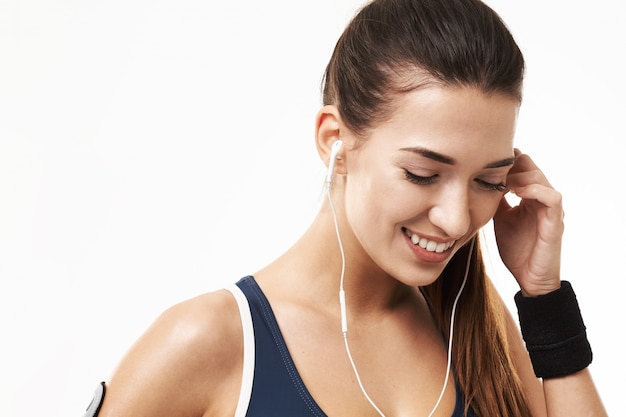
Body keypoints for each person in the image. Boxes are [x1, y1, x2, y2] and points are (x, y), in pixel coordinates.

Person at [84, 0, 608, 415]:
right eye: (423, 174)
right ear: (335, 140)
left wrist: (544, 300)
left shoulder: (481, 338)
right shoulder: (209, 343)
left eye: (488, 181)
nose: (455, 218)